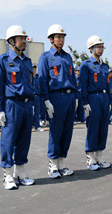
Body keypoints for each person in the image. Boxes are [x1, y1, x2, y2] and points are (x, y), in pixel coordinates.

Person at [0, 25, 35, 190]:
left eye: (25, 39)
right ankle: (8, 175)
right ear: (12, 41)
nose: (24, 42)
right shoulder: (2, 60)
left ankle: (20, 172)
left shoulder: (28, 61)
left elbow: (31, 84)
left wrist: (32, 103)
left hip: (26, 104)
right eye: (21, 39)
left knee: (24, 140)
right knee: (8, 141)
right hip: (11, 104)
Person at [38, 24, 78, 178]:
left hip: (69, 96)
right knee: (56, 131)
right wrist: (47, 101)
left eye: (62, 37)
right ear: (51, 39)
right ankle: (53, 165)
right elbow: (42, 81)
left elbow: (73, 78)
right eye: (58, 37)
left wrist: (75, 97)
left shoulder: (68, 57)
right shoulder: (46, 57)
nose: (61, 40)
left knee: (67, 131)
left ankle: (62, 163)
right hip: (56, 97)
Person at [80, 35, 112, 170]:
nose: (101, 49)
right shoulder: (86, 65)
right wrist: (85, 102)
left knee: (103, 128)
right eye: (98, 47)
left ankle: (99, 157)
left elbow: (109, 85)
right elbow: (83, 85)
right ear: (91, 48)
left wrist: (110, 100)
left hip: (104, 98)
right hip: (93, 98)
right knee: (93, 128)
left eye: (101, 46)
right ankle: (91, 158)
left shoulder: (105, 66)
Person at [32, 64, 44, 132]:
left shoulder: (38, 77)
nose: (34, 70)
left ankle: (37, 126)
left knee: (37, 112)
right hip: (31, 97)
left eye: (34, 69)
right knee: (30, 113)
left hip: (37, 97)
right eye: (32, 68)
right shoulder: (28, 77)